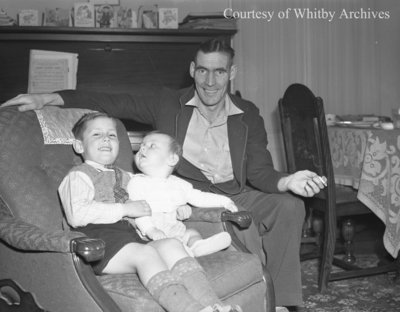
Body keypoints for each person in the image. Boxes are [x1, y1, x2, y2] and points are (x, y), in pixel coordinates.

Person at [3, 38, 327, 310]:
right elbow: (109, 99)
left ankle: (281, 301)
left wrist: (287, 181)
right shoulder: (167, 102)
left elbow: (259, 170)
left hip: (236, 189)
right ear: (192, 70)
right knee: (243, 223)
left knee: (289, 205)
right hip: (186, 193)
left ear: (232, 73)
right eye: (203, 70)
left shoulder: (249, 114)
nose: (210, 81)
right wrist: (48, 97)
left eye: (219, 72)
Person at [58, 111, 241, 312]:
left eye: (111, 135)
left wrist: (177, 205)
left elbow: (153, 194)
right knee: (146, 253)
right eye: (96, 134)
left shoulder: (127, 177)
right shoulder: (78, 176)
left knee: (171, 244)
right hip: (98, 241)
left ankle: (214, 305)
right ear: (79, 146)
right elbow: (77, 215)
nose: (106, 139)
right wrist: (124, 209)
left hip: (130, 237)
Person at [128, 131, 237, 257]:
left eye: (152, 146)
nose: (142, 148)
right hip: (148, 236)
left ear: (172, 159)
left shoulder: (179, 184)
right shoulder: (137, 182)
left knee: (191, 232)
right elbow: (138, 211)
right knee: (167, 247)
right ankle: (185, 252)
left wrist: (225, 201)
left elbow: (199, 197)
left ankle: (197, 246)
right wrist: (150, 230)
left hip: (174, 231)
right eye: (141, 146)